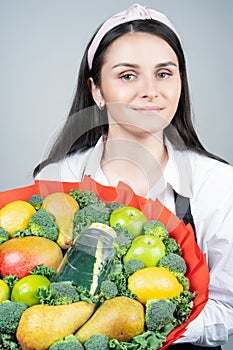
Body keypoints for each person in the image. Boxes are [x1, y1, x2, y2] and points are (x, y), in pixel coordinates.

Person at [34, 4, 233, 349]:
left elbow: (229, 307)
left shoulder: (217, 184)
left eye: (164, 74)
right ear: (96, 90)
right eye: (128, 75)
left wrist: (141, 333)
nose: (150, 91)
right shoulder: (56, 178)